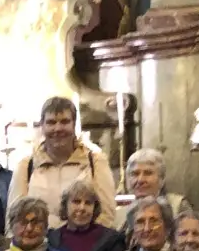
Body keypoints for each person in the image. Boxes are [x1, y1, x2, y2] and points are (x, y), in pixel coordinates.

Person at [7, 96, 117, 228]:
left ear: (74, 124)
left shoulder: (95, 162)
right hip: (39, 245)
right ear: (42, 126)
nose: (58, 128)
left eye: (64, 122)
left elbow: (107, 215)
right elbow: (13, 219)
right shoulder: (26, 166)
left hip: (83, 245)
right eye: (51, 122)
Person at [48, 180, 125, 251]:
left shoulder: (112, 241)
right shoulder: (51, 241)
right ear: (65, 205)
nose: (82, 208)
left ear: (95, 208)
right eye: (76, 202)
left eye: (88, 203)